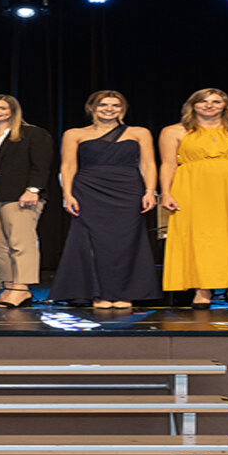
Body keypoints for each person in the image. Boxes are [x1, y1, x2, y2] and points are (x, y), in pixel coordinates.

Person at [159, 88, 228, 309]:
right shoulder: (173, 131)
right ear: (192, 105)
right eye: (203, 101)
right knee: (199, 237)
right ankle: (202, 289)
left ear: (226, 105)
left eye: (216, 101)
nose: (209, 105)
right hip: (192, 189)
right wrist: (166, 193)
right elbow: (168, 165)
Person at [52, 91, 162, 308]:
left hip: (127, 190)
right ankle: (98, 293)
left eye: (115, 105)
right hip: (89, 190)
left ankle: (123, 293)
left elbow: (148, 164)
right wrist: (67, 194)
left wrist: (150, 191)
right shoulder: (74, 134)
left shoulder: (139, 132)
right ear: (92, 108)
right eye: (103, 105)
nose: (109, 109)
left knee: (125, 242)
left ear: (123, 109)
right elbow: (68, 166)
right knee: (90, 242)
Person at [0, 94, 53, 308]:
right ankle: (9, 287)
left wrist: (33, 189)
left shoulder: (32, 133)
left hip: (19, 191)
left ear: (13, 111)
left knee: (21, 242)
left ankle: (22, 288)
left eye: (2, 108)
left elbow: (42, 165)